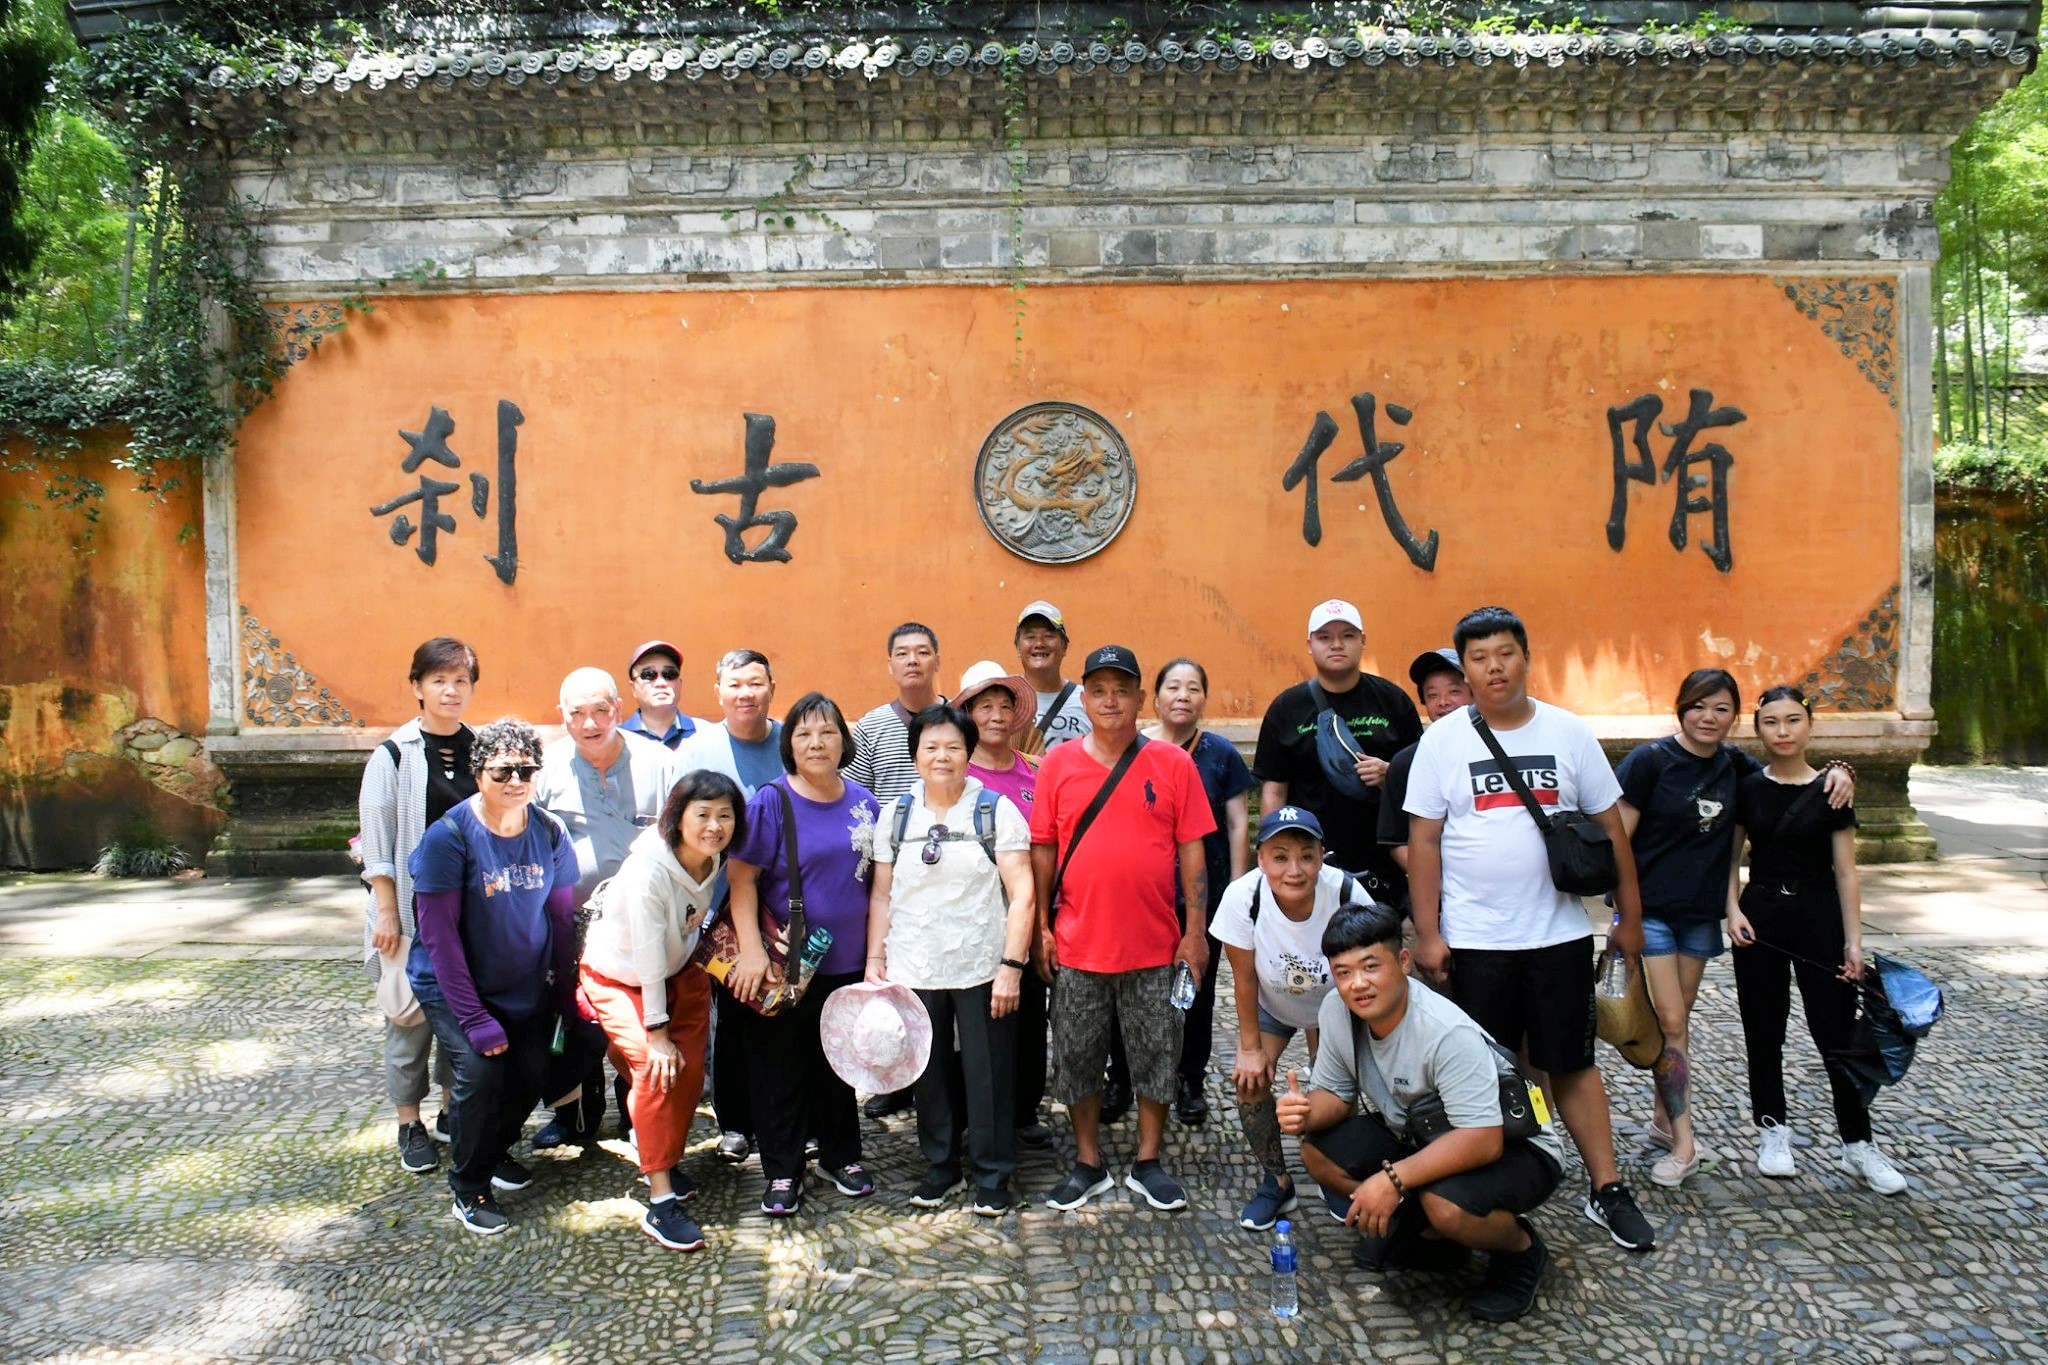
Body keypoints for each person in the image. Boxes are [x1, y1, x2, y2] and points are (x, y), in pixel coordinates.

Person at [1403, 606, 1657, 1252]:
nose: (1495, 666)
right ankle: (1490, 1183)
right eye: (1481, 656)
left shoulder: (1568, 733)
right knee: (1480, 1071)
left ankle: (1607, 1187)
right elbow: (1424, 841)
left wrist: (1629, 917)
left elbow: (1612, 829)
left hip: (1558, 936)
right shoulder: (1442, 742)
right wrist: (1428, 933)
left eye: (1506, 652)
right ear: (1466, 668)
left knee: (1570, 1063)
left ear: (1525, 657)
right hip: (1475, 943)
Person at [1615, 670, 1853, 1188]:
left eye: (1721, 709)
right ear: (1681, 708)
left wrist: (1841, 768)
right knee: (1673, 1024)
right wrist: (1624, 917)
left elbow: (1788, 770)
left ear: (1734, 716)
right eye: (1699, 706)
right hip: (1650, 911)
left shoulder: (1733, 767)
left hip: (1700, 916)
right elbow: (1618, 841)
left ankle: (1661, 1119)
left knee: (1675, 1024)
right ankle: (1684, 1145)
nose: (1709, 718)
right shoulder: (1649, 762)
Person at [1278, 903, 1566, 1323]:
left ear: (1403, 962)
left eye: (1371, 966)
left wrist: (1391, 1180)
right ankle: (1437, 1238)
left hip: (1516, 1145)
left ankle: (1520, 1248)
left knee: (1447, 1206)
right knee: (1317, 1152)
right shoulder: (1337, 1012)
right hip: (1421, 1133)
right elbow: (1336, 1098)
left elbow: (1482, 1139)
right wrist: (1304, 1112)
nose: (1358, 984)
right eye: (1343, 972)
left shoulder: (1445, 1032)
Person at [1031, 645, 1214, 1213]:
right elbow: (1043, 849)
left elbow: (1192, 852)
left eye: (1122, 689)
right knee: (1078, 1055)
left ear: (1140, 698)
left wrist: (1195, 931)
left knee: (1158, 1054)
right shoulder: (1058, 765)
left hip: (1156, 944)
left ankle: (1148, 1159)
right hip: (1079, 944)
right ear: (1083, 698)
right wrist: (1041, 926)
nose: (1110, 700)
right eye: (1099, 690)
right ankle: (1088, 1161)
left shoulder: (1173, 764)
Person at [1725, 686, 1905, 1195]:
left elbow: (1848, 872)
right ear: (1757, 729)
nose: (1782, 732)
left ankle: (1858, 1143)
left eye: (1792, 721)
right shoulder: (1748, 787)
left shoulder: (1833, 788)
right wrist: (1731, 908)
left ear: (1809, 724)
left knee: (1836, 1035)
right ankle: (1772, 1130)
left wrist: (1854, 942)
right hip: (1760, 916)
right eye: (1770, 723)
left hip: (1820, 914)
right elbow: (1731, 856)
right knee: (1764, 1029)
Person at [407, 718, 582, 1235]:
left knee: (535, 1070)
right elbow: (439, 938)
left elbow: (560, 919)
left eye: (526, 769)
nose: (515, 780)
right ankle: (468, 1185)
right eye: (503, 769)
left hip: (523, 979)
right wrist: (474, 1017)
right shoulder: (450, 837)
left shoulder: (549, 830)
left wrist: (565, 991)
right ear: (477, 771)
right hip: (456, 984)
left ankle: (492, 1150)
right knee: (480, 1076)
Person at [865, 703, 1036, 1215]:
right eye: (931, 747)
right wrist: (877, 956)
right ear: (915, 754)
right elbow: (881, 895)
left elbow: (1022, 893)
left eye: (953, 747)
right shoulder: (896, 815)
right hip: (915, 965)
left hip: (982, 966)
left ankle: (992, 1174)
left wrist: (1012, 967)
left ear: (969, 752)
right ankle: (940, 1167)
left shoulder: (994, 810)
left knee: (988, 1073)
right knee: (930, 1073)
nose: (942, 757)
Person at [724, 692, 882, 1216]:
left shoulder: (865, 802)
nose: (817, 743)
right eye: (804, 734)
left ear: (844, 740)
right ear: (789, 744)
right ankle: (783, 1170)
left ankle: (842, 1155)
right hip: (785, 966)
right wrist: (750, 952)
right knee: (780, 1067)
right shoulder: (771, 801)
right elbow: (741, 881)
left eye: (828, 732)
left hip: (847, 963)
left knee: (838, 1064)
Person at [579, 769, 742, 1250]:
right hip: (622, 977)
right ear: (677, 817)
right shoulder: (648, 871)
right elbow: (647, 958)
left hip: (678, 970)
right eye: (703, 815)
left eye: (725, 816)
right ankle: (661, 1198)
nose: (714, 826)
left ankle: (664, 1156)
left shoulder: (711, 859)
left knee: (689, 1074)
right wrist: (656, 1034)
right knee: (656, 1071)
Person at [530, 667, 685, 1148]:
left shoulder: (659, 763)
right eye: (578, 713)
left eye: (601, 710)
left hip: (642, 922)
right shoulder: (547, 769)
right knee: (571, 1022)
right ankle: (573, 1115)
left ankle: (639, 1114)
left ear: (620, 707)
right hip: (570, 922)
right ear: (563, 717)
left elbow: (685, 838)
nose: (591, 722)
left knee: (637, 1019)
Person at [357, 636, 477, 1174]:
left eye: (461, 680)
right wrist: (386, 910)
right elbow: (376, 842)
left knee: (462, 1018)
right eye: (439, 680)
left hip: (468, 915)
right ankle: (410, 1122)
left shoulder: (481, 747)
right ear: (418, 687)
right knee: (408, 1019)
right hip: (407, 913)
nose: (450, 691)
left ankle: (454, 1110)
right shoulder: (394, 755)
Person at [1211, 806, 1360, 1230]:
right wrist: (1250, 1047)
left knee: (1336, 1087)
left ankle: (1333, 1169)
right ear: (1261, 859)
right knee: (1249, 1080)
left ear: (1322, 856)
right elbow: (1243, 979)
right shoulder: (1244, 897)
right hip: (1272, 999)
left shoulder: (1347, 893)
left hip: (1334, 1007)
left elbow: (1371, 967)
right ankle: (1276, 1180)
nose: (1293, 870)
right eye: (1280, 856)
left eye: (1306, 856)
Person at [674, 648, 786, 1166]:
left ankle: (782, 1115)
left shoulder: (790, 740)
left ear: (771, 687)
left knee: (779, 1017)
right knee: (729, 1020)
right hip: (711, 908)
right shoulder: (693, 752)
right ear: (718, 691)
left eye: (756, 683)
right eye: (735, 684)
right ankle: (736, 1123)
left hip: (782, 909)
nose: (746, 693)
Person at [1142, 657, 1253, 1126]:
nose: (1183, 695)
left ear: (1204, 698)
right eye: (1173, 686)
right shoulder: (1137, 748)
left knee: (1196, 990)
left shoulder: (1220, 753)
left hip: (1203, 891)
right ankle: (1130, 1076)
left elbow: (1238, 822)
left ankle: (1190, 1078)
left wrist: (1240, 891)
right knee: (1139, 990)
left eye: (1193, 687)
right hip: (1146, 893)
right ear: (1156, 697)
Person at [1253, 598, 1423, 903]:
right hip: (1308, 863)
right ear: (1309, 644)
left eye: (1347, 635)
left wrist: (1390, 773)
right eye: (1324, 637)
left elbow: (1425, 780)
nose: (1336, 645)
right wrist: (1273, 849)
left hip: (1383, 864)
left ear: (1362, 641)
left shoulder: (1393, 701)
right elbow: (1274, 789)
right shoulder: (1286, 708)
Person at [955, 659, 1054, 1149]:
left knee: (1030, 1013)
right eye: (984, 706)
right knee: (972, 1020)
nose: (995, 715)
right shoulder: (956, 773)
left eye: (1004, 705)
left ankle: (1022, 1109)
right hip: (971, 917)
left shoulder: (1037, 771)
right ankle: (969, 1112)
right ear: (969, 715)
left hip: (1030, 914)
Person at [847, 623, 944, 1119]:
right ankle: (900, 1077)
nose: (913, 661)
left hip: (952, 878)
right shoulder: (870, 728)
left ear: (936, 661)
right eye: (902, 653)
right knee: (899, 981)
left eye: (922, 652)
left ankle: (946, 1082)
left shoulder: (955, 719)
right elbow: (856, 796)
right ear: (889, 665)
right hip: (895, 876)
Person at [1378, 648, 1474, 884]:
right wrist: (1436, 884)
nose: (1443, 703)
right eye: (1432, 695)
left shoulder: (1501, 749)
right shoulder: (1406, 763)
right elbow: (1397, 841)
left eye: (1454, 692)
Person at [1015, 600, 1091, 750]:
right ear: (1018, 648)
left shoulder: (1088, 701)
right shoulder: (1006, 700)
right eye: (1030, 637)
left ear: (1064, 647)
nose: (1039, 643)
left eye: (1048, 636)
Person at [618, 640, 704, 749]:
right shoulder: (617, 740)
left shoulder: (706, 734)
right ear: (633, 688)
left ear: (680, 683)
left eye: (669, 674)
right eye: (648, 675)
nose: (661, 683)